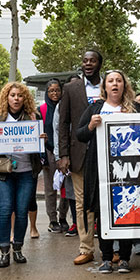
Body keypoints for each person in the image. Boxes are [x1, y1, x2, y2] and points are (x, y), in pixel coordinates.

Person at [76, 70, 140, 274]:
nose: (115, 84)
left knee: (126, 213)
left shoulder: (135, 109)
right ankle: (106, 258)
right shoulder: (96, 108)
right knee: (102, 214)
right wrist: (90, 126)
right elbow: (80, 135)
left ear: (125, 85)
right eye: (111, 81)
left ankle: (124, 258)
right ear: (105, 87)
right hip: (100, 171)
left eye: (119, 81)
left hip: (128, 171)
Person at [0, 82, 44, 268]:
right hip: (4, 173)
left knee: (21, 211)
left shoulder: (34, 117)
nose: (16, 99)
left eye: (19, 95)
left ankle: (18, 248)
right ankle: (4, 251)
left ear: (24, 98)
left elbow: (44, 144)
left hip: (27, 172)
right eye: (12, 95)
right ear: (6, 97)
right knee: (5, 210)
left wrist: (43, 139)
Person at [59, 50, 102, 265]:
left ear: (99, 64)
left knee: (105, 200)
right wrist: (63, 154)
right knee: (82, 202)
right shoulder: (70, 89)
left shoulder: (110, 85)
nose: (88, 64)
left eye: (92, 60)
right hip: (79, 154)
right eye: (84, 60)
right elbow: (63, 123)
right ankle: (86, 247)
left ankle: (110, 247)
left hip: (106, 153)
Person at [39, 79, 69, 234]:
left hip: (63, 151)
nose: (55, 93)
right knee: (51, 188)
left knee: (65, 186)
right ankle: (53, 219)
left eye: (57, 90)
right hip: (48, 152)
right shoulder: (42, 109)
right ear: (47, 92)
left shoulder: (65, 107)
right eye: (51, 91)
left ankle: (63, 216)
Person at [53, 74, 81, 237]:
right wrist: (60, 155)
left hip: (85, 152)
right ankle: (76, 223)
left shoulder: (87, 102)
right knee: (71, 192)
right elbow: (58, 130)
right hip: (69, 154)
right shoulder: (61, 106)